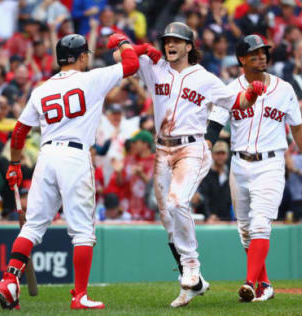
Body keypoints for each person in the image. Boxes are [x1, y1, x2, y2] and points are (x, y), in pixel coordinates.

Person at [0, 33, 139, 310]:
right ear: (82, 56)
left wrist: (14, 165)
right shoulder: (91, 78)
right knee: (83, 231)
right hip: (74, 155)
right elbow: (131, 65)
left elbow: (20, 131)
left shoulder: (41, 89)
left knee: (33, 226)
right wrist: (122, 42)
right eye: (87, 55)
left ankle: (9, 281)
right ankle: (80, 295)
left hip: (46, 156)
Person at [110, 22, 251, 308]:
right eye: (166, 41)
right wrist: (133, 45)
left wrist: (254, 94)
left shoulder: (204, 77)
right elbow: (118, 59)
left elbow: (236, 102)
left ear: (189, 46)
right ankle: (193, 285)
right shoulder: (155, 67)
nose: (170, 45)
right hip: (162, 149)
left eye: (176, 41)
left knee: (176, 203)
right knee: (167, 218)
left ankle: (191, 268)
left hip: (192, 147)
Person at [206, 34, 302, 302]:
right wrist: (203, 151)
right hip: (239, 162)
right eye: (254, 53)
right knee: (245, 230)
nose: (261, 56)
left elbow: (298, 128)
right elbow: (214, 125)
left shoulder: (284, 89)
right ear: (241, 59)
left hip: (270, 163)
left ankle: (249, 283)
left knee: (260, 224)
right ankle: (264, 284)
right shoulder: (230, 89)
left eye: (263, 52)